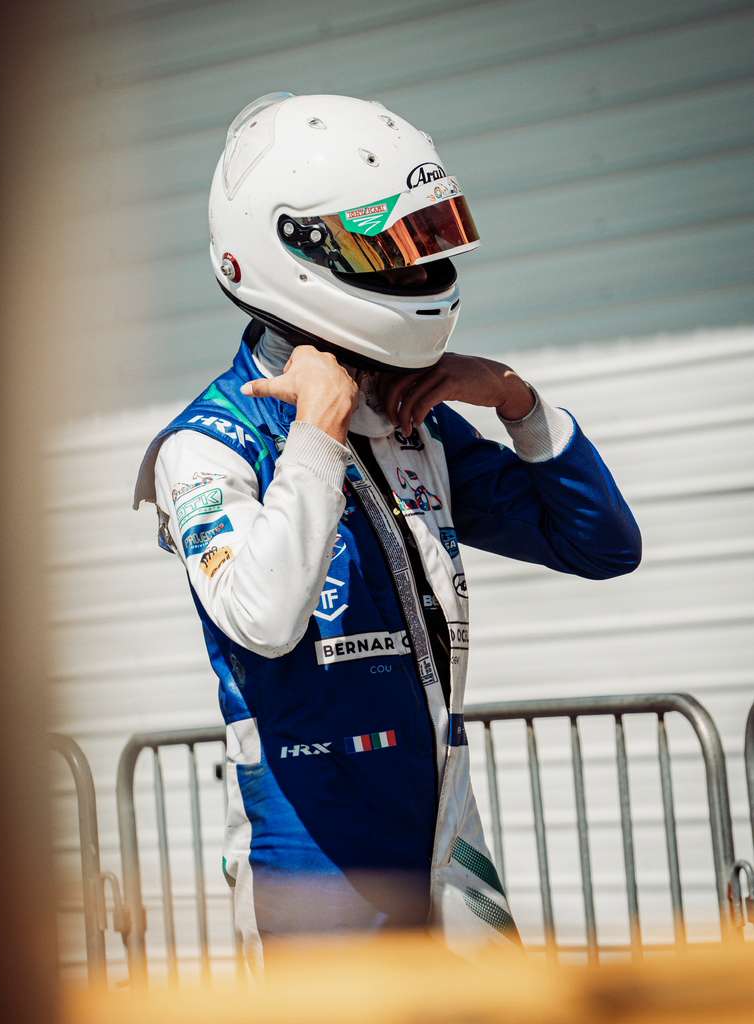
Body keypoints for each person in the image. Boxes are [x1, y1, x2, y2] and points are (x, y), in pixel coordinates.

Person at [134, 93, 641, 970]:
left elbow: (600, 544)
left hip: (445, 825)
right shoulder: (208, 445)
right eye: (385, 248)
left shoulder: (414, 419)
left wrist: (514, 399)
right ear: (287, 251)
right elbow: (263, 618)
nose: (415, 269)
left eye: (422, 244)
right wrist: (315, 435)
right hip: (316, 855)